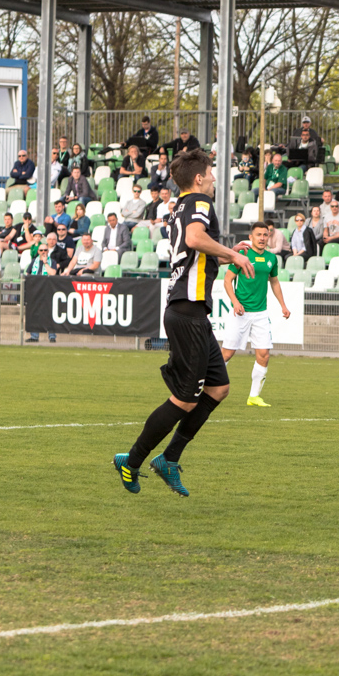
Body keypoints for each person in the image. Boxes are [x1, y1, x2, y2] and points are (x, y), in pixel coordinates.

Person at [114, 149, 255, 499]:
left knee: (218, 389)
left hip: (192, 311)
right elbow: (194, 240)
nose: (213, 178)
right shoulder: (199, 203)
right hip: (187, 310)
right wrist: (233, 254)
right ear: (198, 178)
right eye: (210, 173)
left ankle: (169, 459)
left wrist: (222, 250)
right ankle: (132, 460)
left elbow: (195, 246)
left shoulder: (178, 205)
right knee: (184, 400)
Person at [220, 222, 290, 408]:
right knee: (226, 354)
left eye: (265, 235)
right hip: (240, 313)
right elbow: (227, 281)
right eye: (258, 234)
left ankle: (254, 397)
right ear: (250, 237)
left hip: (260, 313)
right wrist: (235, 302)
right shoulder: (242, 255)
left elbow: (274, 283)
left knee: (264, 354)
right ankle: (209, 387)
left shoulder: (271, 259)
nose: (262, 238)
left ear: (269, 237)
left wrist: (283, 305)